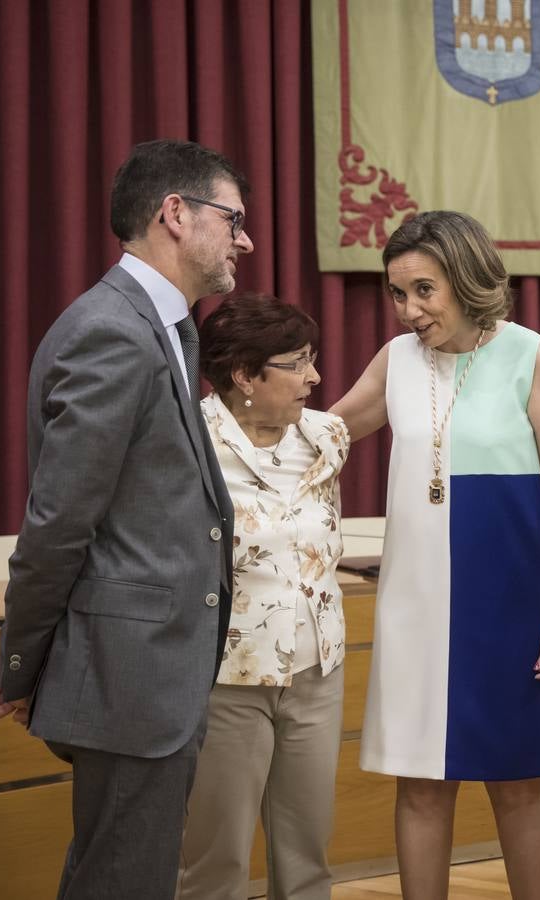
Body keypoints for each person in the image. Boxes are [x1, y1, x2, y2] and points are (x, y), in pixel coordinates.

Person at [0, 138, 251, 898]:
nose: (244, 239)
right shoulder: (114, 331)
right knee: (121, 881)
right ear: (174, 214)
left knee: (125, 876)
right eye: (232, 219)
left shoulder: (163, 326)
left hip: (148, 677)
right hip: (132, 684)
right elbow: (59, 524)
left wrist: (27, 653)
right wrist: (23, 659)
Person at [330, 209, 540, 900]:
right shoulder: (396, 361)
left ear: (466, 279)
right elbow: (323, 436)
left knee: (518, 782)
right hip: (415, 607)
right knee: (420, 781)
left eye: (424, 290)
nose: (409, 310)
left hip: (513, 604)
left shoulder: (529, 354)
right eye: (397, 292)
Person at [174, 294, 350, 900]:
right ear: (246, 375)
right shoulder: (187, 441)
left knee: (307, 856)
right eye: (297, 363)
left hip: (316, 671)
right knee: (215, 859)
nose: (315, 377)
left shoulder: (327, 436)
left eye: (312, 359)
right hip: (226, 677)